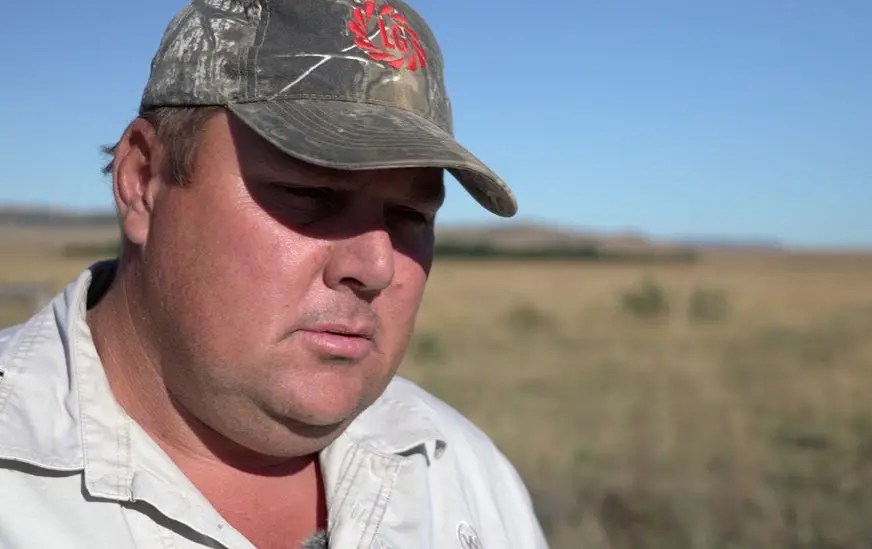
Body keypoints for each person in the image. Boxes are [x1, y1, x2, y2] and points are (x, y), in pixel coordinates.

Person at [0, 0, 548, 547]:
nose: (376, 267)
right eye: (309, 194)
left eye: (410, 215)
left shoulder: (458, 473)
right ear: (143, 181)